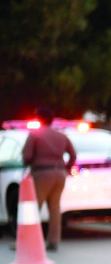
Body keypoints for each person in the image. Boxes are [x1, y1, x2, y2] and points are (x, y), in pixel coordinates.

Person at [21, 107, 76, 252]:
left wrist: (28, 163)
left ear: (39, 118)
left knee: (34, 208)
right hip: (59, 174)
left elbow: (26, 156)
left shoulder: (34, 135)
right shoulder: (61, 136)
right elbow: (73, 155)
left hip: (41, 174)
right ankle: (53, 242)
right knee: (55, 208)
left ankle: (27, 241)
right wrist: (66, 168)